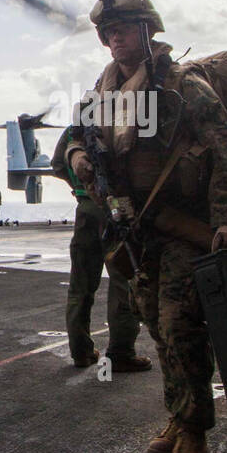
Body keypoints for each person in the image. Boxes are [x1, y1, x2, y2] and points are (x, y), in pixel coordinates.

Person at [64, 0, 227, 453]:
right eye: (107, 32)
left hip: (182, 225)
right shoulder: (102, 93)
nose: (113, 39)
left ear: (148, 29)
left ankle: (195, 436)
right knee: (156, 324)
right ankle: (179, 413)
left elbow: (226, 155)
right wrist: (77, 156)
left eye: (122, 28)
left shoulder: (183, 88)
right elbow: (76, 138)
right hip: (135, 229)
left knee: (180, 322)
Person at [50, 127, 151, 372]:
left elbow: (57, 164)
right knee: (122, 283)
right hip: (116, 209)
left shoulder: (75, 129)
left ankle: (81, 352)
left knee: (80, 285)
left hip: (85, 208)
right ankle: (121, 353)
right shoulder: (120, 123)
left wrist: (80, 187)